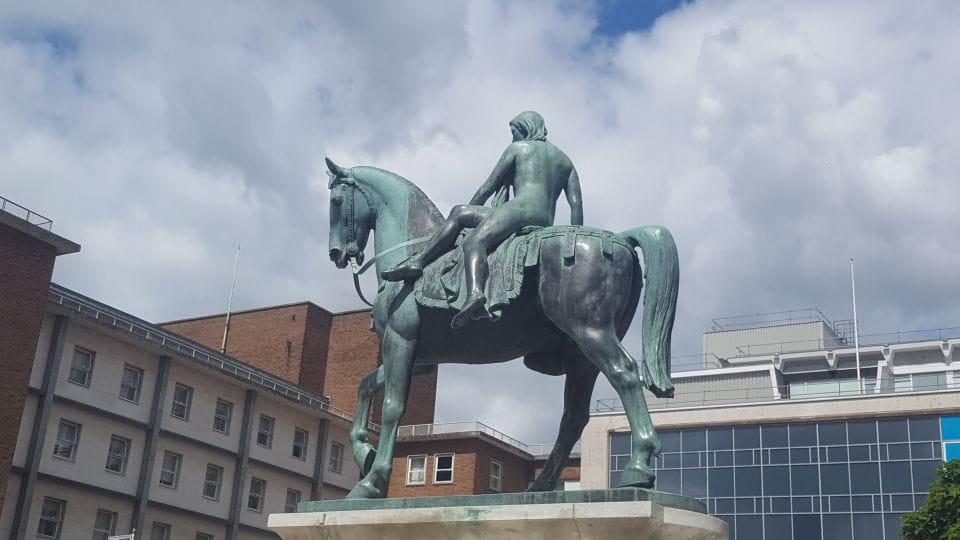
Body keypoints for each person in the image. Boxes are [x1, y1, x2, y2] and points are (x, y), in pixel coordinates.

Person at [382, 111, 583, 328]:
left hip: (520, 209)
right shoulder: (565, 161)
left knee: (475, 241)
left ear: (524, 128)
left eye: (514, 131)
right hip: (544, 217)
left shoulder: (519, 148)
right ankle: (419, 261)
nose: (512, 136)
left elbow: (489, 186)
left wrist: (473, 212)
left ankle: (475, 293)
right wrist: (573, 235)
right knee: (459, 212)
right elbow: (576, 205)